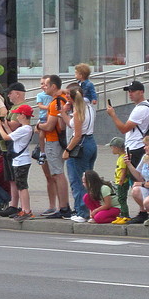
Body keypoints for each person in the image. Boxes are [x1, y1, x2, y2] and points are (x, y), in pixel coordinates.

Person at [105, 80, 149, 222]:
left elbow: (123, 128)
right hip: (135, 147)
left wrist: (113, 114)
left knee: (137, 182)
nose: (130, 94)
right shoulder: (142, 107)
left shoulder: (142, 109)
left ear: (141, 92)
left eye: (132, 91)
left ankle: (144, 211)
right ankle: (144, 210)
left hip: (137, 149)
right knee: (137, 181)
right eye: (129, 91)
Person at [62, 83, 97, 222]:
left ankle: (82, 212)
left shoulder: (78, 112)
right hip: (91, 142)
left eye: (66, 95)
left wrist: (67, 150)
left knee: (77, 180)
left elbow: (76, 135)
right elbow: (71, 124)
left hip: (80, 145)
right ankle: (90, 209)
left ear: (71, 97)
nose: (65, 97)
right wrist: (63, 112)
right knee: (88, 180)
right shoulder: (89, 108)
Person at [36, 75, 70, 219]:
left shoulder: (55, 102)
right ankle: (63, 207)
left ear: (54, 86)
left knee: (57, 174)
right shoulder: (63, 97)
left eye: (46, 85)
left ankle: (64, 207)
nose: (44, 87)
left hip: (53, 141)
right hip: (58, 141)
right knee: (57, 174)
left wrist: (38, 125)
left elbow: (50, 126)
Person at [0, 104, 35, 220]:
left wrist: (0, 127)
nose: (16, 116)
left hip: (21, 161)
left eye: (18, 114)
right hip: (19, 160)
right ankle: (23, 209)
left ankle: (26, 210)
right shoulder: (25, 129)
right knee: (19, 185)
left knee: (22, 186)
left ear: (23, 115)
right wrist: (6, 126)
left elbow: (6, 137)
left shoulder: (24, 129)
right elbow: (11, 135)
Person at [107, 138, 131, 223]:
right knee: (120, 199)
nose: (112, 150)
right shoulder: (121, 157)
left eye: (112, 148)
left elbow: (123, 172)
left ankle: (125, 215)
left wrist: (121, 181)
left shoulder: (122, 159)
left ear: (117, 148)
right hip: (119, 182)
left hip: (122, 182)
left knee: (121, 199)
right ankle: (122, 214)